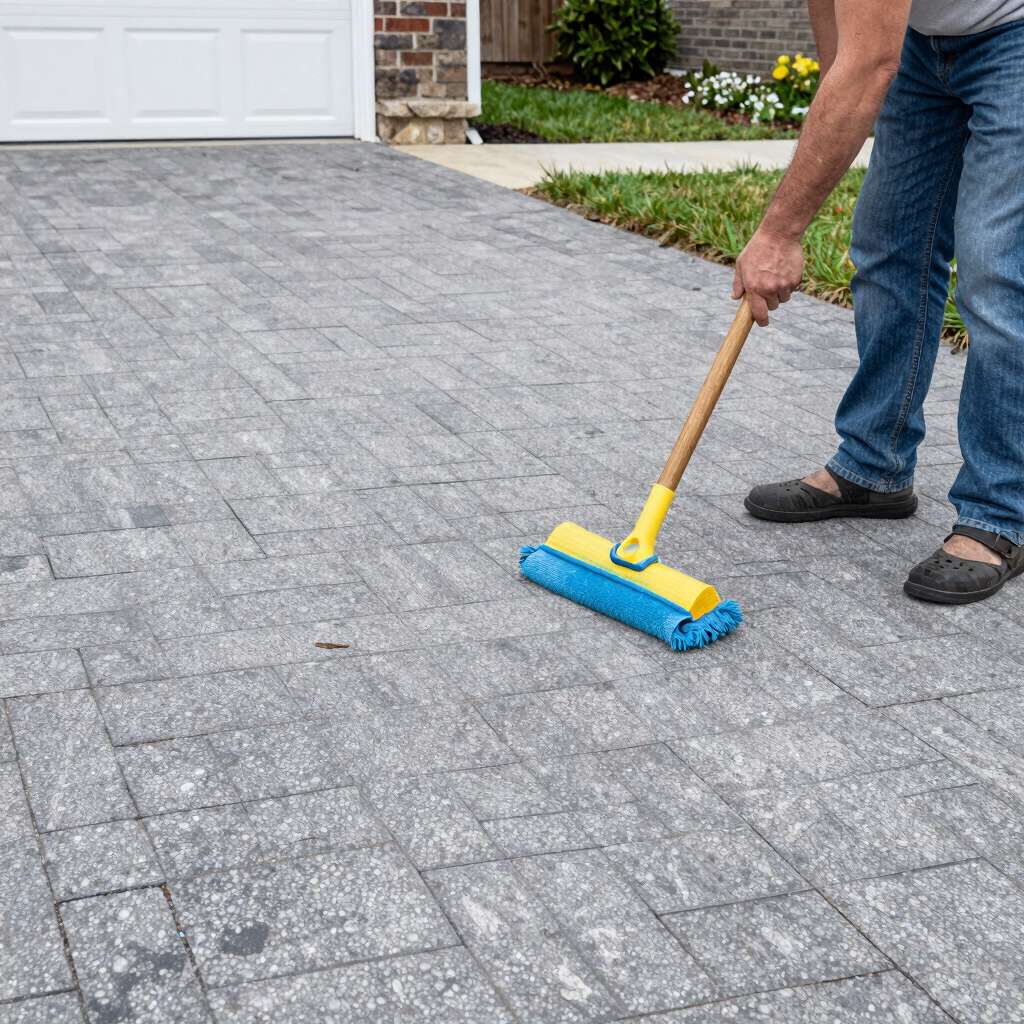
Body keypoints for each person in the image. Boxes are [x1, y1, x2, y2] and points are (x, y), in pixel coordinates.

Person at [734, 0, 1024, 604]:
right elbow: (843, 38)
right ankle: (874, 466)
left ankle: (1003, 511)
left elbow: (868, 66)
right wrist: (838, 95)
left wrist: (780, 233)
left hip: (1014, 38)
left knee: (995, 272)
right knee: (890, 248)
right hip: (923, 45)